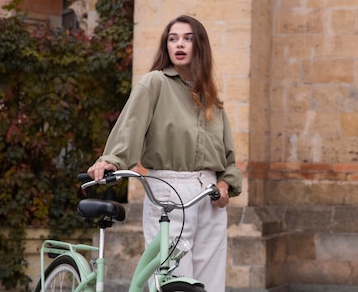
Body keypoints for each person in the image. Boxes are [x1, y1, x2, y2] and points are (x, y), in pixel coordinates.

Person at [87, 15, 242, 292]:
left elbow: (228, 158)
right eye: (173, 39)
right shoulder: (154, 83)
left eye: (187, 38)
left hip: (209, 196)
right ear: (166, 46)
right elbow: (130, 126)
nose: (179, 44)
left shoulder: (210, 98)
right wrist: (111, 160)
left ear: (200, 46)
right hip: (169, 191)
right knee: (171, 283)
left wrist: (224, 185)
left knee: (211, 286)